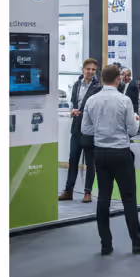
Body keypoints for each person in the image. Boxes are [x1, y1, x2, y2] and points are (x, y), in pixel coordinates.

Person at [83, 65, 140, 255]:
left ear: (102, 78)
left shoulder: (91, 100)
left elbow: (85, 129)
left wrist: (101, 131)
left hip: (100, 153)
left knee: (103, 198)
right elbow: (132, 130)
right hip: (121, 153)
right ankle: (137, 242)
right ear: (117, 80)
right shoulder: (124, 101)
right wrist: (136, 120)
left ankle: (105, 244)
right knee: (129, 199)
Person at [59, 59, 101, 203]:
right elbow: (73, 103)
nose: (90, 72)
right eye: (88, 69)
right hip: (76, 128)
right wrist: (73, 111)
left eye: (93, 69)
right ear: (83, 69)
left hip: (90, 130)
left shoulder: (98, 87)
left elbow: (98, 109)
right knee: (73, 160)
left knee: (90, 162)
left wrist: (83, 113)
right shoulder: (76, 85)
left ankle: (87, 192)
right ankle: (68, 190)